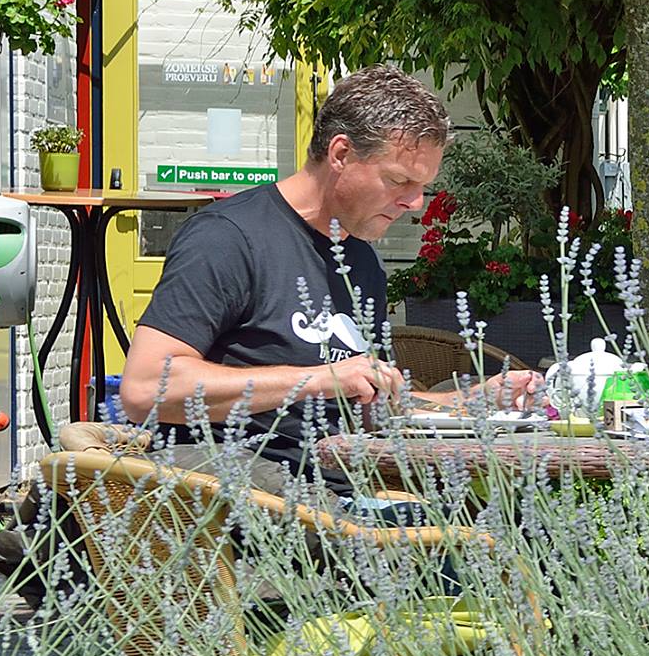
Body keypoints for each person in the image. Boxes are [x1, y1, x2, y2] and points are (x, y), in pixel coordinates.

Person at [120, 64, 538, 497]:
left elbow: (372, 403)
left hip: (344, 496)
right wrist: (317, 379)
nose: (415, 203)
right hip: (246, 501)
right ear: (340, 154)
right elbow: (145, 387)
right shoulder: (228, 238)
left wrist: (472, 404)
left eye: (422, 187)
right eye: (399, 180)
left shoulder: (361, 261)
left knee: (514, 526)